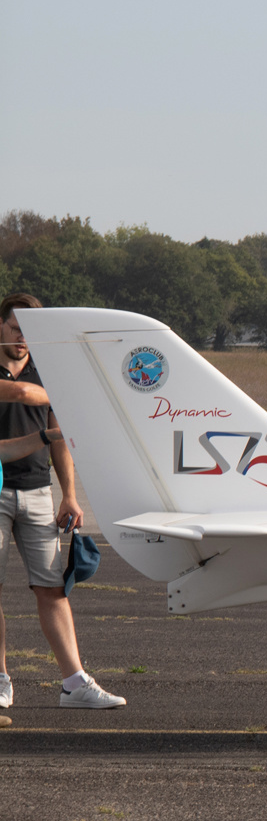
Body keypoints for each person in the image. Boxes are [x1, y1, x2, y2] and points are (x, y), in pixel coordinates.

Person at [0, 293, 124, 711]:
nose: (22, 338)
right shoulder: (39, 380)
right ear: (1, 326)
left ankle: (74, 683)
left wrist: (68, 494)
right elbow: (18, 395)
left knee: (53, 588)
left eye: (30, 332)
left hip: (37, 491)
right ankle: (0, 680)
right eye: (16, 329)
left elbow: (60, 438)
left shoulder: (45, 368)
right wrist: (61, 394)